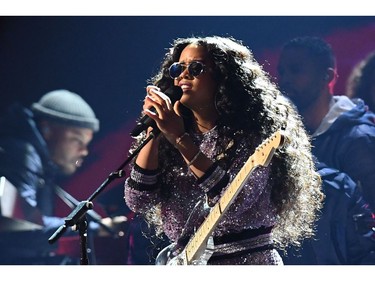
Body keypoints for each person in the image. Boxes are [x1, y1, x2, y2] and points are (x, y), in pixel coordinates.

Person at [124, 35, 323, 265]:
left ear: (224, 78)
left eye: (196, 68)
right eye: (178, 67)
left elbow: (233, 202)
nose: (183, 75)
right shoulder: (170, 134)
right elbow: (138, 201)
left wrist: (179, 138)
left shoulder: (253, 134)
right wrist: (155, 130)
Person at [0, 89, 103, 264]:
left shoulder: (41, 161)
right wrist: (95, 228)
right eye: (77, 140)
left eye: (86, 144)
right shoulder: (22, 153)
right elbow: (20, 227)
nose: (84, 151)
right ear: (47, 129)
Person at [277, 36, 375, 210]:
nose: (285, 79)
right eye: (282, 72)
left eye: (295, 70)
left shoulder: (358, 138)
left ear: (327, 76)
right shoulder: (285, 135)